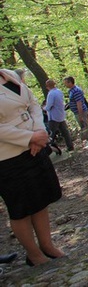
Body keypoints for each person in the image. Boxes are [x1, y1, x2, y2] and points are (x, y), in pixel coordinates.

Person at [0, 69, 65, 266]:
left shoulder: (8, 74)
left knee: (40, 198)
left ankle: (47, 245)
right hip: (7, 154)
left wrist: (38, 132)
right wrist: (28, 138)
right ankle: (34, 254)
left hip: (34, 147)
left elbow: (34, 104)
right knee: (20, 206)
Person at [44, 79, 74, 152]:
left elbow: (49, 105)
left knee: (51, 134)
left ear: (47, 86)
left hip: (53, 117)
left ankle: (50, 149)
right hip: (61, 115)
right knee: (65, 132)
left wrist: (44, 108)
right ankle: (70, 146)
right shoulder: (59, 91)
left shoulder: (51, 94)